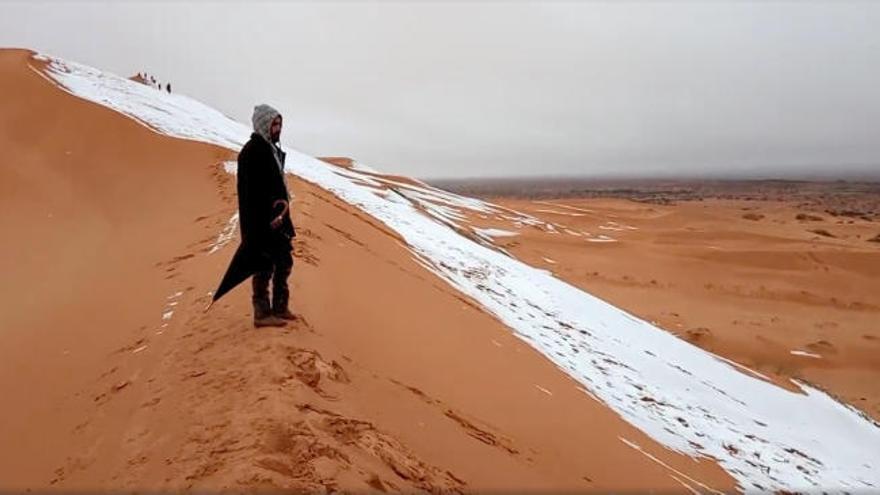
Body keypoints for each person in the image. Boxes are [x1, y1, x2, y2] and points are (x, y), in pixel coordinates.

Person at [236, 104, 296, 328]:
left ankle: (281, 307)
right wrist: (264, 220)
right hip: (261, 221)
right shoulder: (253, 151)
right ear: (264, 124)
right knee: (263, 265)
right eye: (274, 124)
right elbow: (250, 192)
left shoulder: (270, 149)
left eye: (279, 124)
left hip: (278, 218)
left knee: (284, 261)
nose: (278, 128)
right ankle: (262, 313)